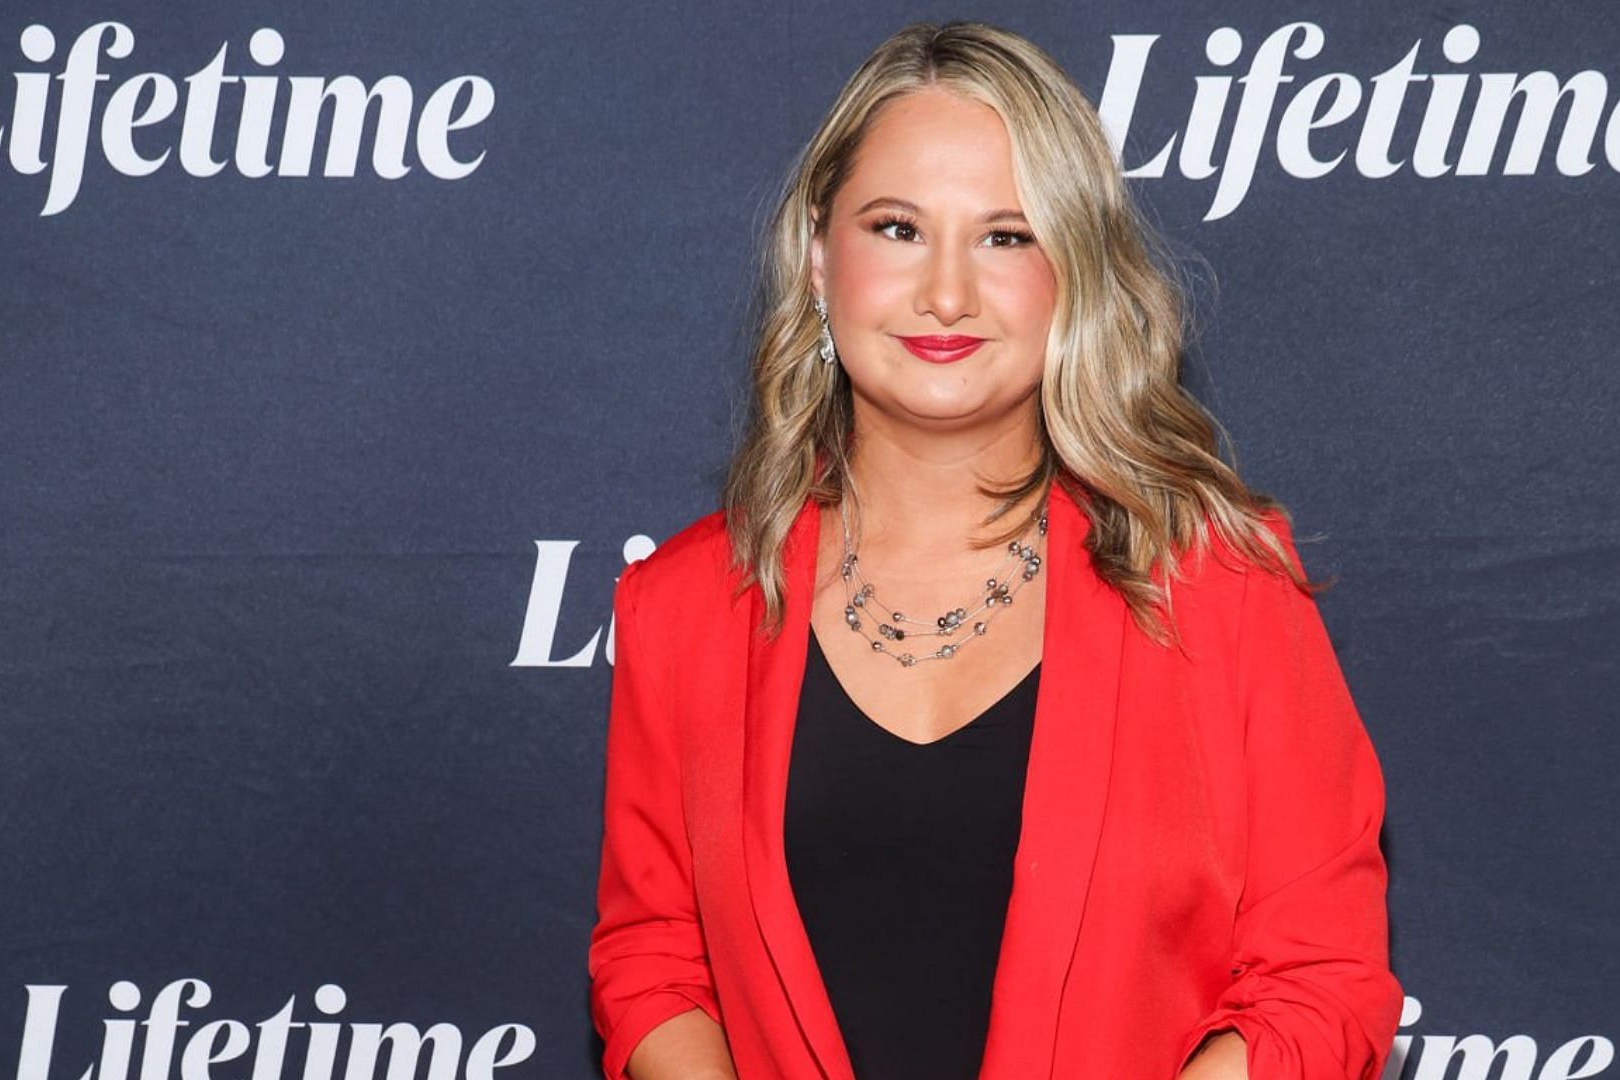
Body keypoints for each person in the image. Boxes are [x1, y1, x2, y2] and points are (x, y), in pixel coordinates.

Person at [588, 21, 1401, 1080]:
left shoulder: (1221, 580)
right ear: (819, 261)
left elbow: (1323, 977)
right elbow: (655, 961)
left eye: (1007, 236)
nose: (947, 294)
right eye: (897, 228)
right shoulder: (687, 604)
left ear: (1076, 276)